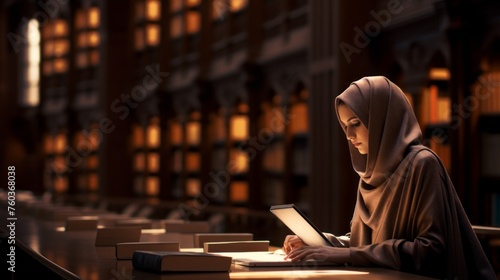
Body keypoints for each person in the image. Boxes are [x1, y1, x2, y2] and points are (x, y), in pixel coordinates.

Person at [282, 76, 496, 279]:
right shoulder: (369, 173)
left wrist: (346, 254)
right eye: (345, 126)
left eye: (356, 123)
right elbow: (366, 247)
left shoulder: (422, 164)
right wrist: (320, 244)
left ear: (382, 119)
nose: (349, 135)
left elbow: (431, 251)